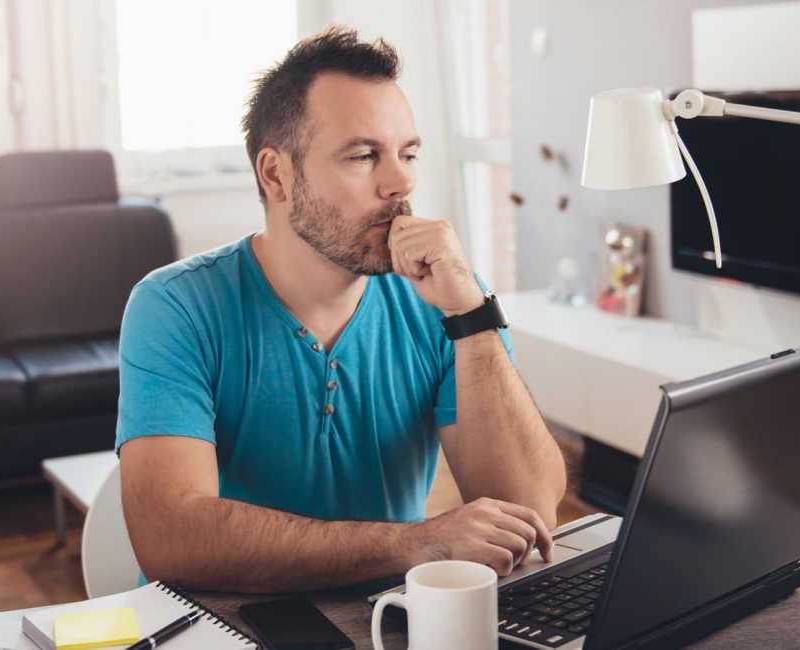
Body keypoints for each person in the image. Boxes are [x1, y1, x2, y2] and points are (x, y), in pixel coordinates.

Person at [116, 26, 567, 593]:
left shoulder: (448, 302)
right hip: (218, 622)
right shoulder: (175, 306)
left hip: (382, 618)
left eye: (408, 154)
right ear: (276, 174)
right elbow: (172, 539)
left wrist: (472, 317)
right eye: (363, 156)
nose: (401, 182)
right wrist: (419, 542)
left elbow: (529, 513)